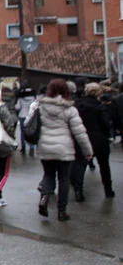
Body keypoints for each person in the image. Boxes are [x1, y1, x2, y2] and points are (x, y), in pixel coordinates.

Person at [35, 79, 93, 221]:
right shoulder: (70, 109)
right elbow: (80, 133)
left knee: (48, 175)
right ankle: (62, 212)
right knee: (64, 179)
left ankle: (44, 198)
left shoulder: (41, 107)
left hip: (45, 146)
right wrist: (88, 151)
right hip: (64, 148)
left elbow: (29, 124)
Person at [73, 83, 113, 200]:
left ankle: (78, 190)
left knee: (80, 164)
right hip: (99, 138)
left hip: (82, 136)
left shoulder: (77, 105)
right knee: (104, 164)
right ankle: (108, 190)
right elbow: (105, 124)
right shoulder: (100, 106)